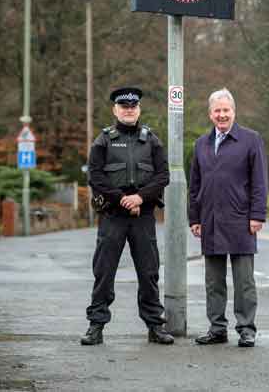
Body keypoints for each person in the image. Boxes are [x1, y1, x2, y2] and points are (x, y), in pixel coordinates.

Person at [81, 86, 174, 346]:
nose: (129, 110)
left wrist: (140, 198)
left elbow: (162, 175)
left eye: (133, 107)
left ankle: (155, 326)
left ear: (139, 109)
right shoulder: (104, 140)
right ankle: (96, 326)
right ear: (115, 110)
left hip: (143, 216)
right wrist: (123, 200)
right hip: (113, 215)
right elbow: (95, 176)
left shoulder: (152, 140)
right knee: (104, 271)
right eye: (124, 107)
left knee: (149, 272)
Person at [189, 88, 268, 348]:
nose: (222, 115)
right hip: (209, 221)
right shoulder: (201, 143)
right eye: (217, 110)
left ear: (233, 112)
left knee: (244, 281)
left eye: (226, 110)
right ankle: (217, 329)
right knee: (213, 282)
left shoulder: (251, 140)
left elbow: (259, 181)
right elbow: (195, 185)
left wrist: (257, 215)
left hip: (241, 220)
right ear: (210, 114)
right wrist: (195, 218)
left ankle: (246, 329)